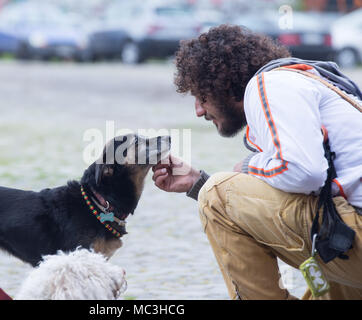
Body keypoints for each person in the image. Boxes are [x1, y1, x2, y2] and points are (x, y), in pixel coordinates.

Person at [152, 25, 362, 300]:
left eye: (201, 96)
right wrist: (197, 184)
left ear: (224, 83)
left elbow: (305, 172)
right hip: (350, 227)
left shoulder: (270, 83)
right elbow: (300, 192)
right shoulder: (310, 83)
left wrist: (243, 169)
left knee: (218, 193)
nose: (199, 110)